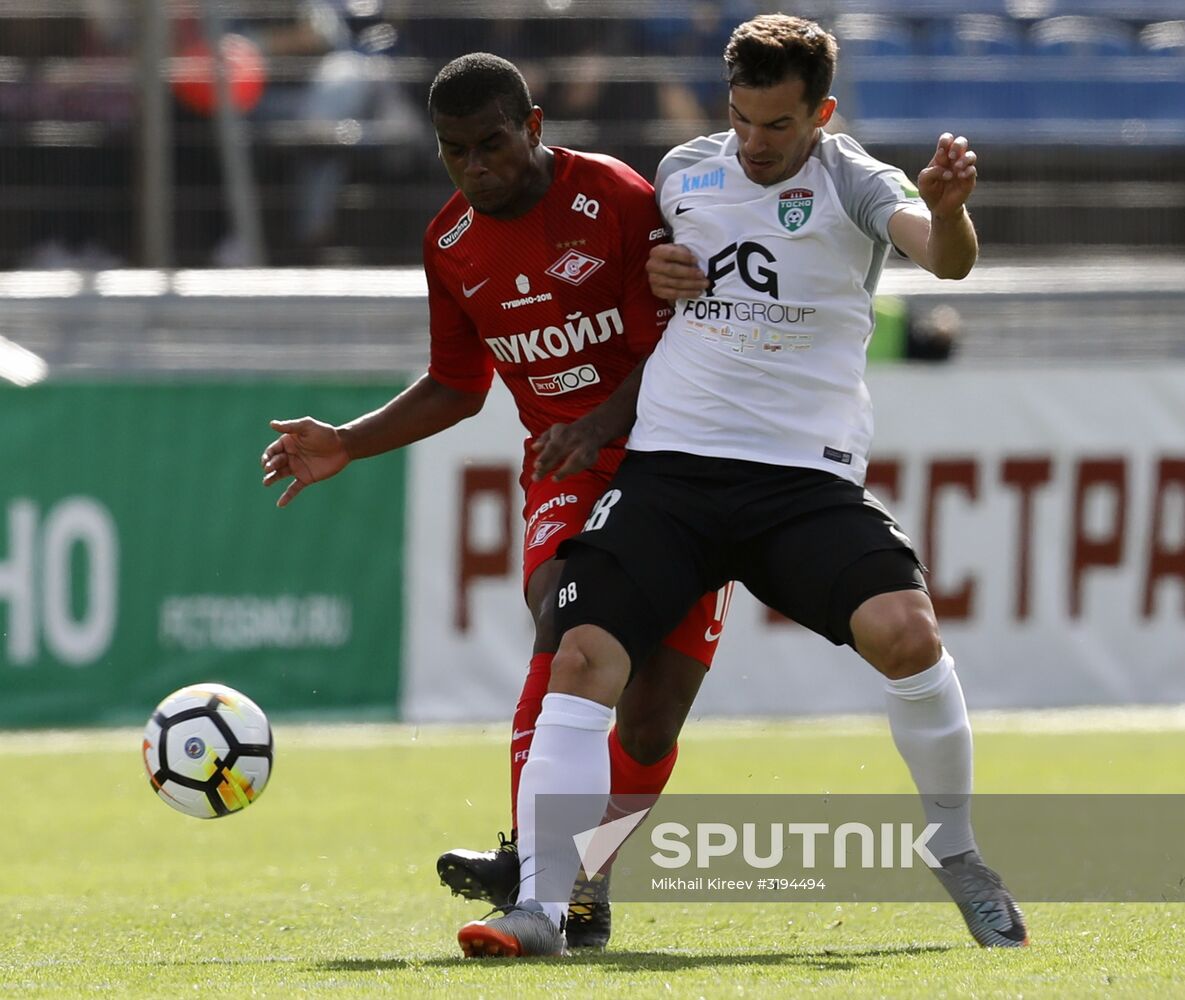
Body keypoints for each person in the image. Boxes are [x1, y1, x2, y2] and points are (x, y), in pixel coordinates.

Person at [457, 14, 1029, 958]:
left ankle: (957, 851)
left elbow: (943, 256)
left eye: (777, 126)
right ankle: (543, 906)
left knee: (907, 634)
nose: (754, 144)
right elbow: (642, 289)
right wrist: (655, 272)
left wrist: (950, 211)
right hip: (670, 474)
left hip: (799, 483)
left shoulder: (855, 179)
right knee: (581, 660)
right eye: (741, 120)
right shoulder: (684, 172)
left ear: (821, 115)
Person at [259, 52, 729, 951]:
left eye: (491, 144)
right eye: (454, 151)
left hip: (678, 462)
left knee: (651, 715)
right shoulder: (449, 243)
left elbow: (675, 351)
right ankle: (534, 871)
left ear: (533, 127)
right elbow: (457, 383)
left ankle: (586, 878)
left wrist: (599, 422)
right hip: (566, 470)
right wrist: (350, 441)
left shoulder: (616, 200)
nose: (474, 168)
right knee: (563, 614)